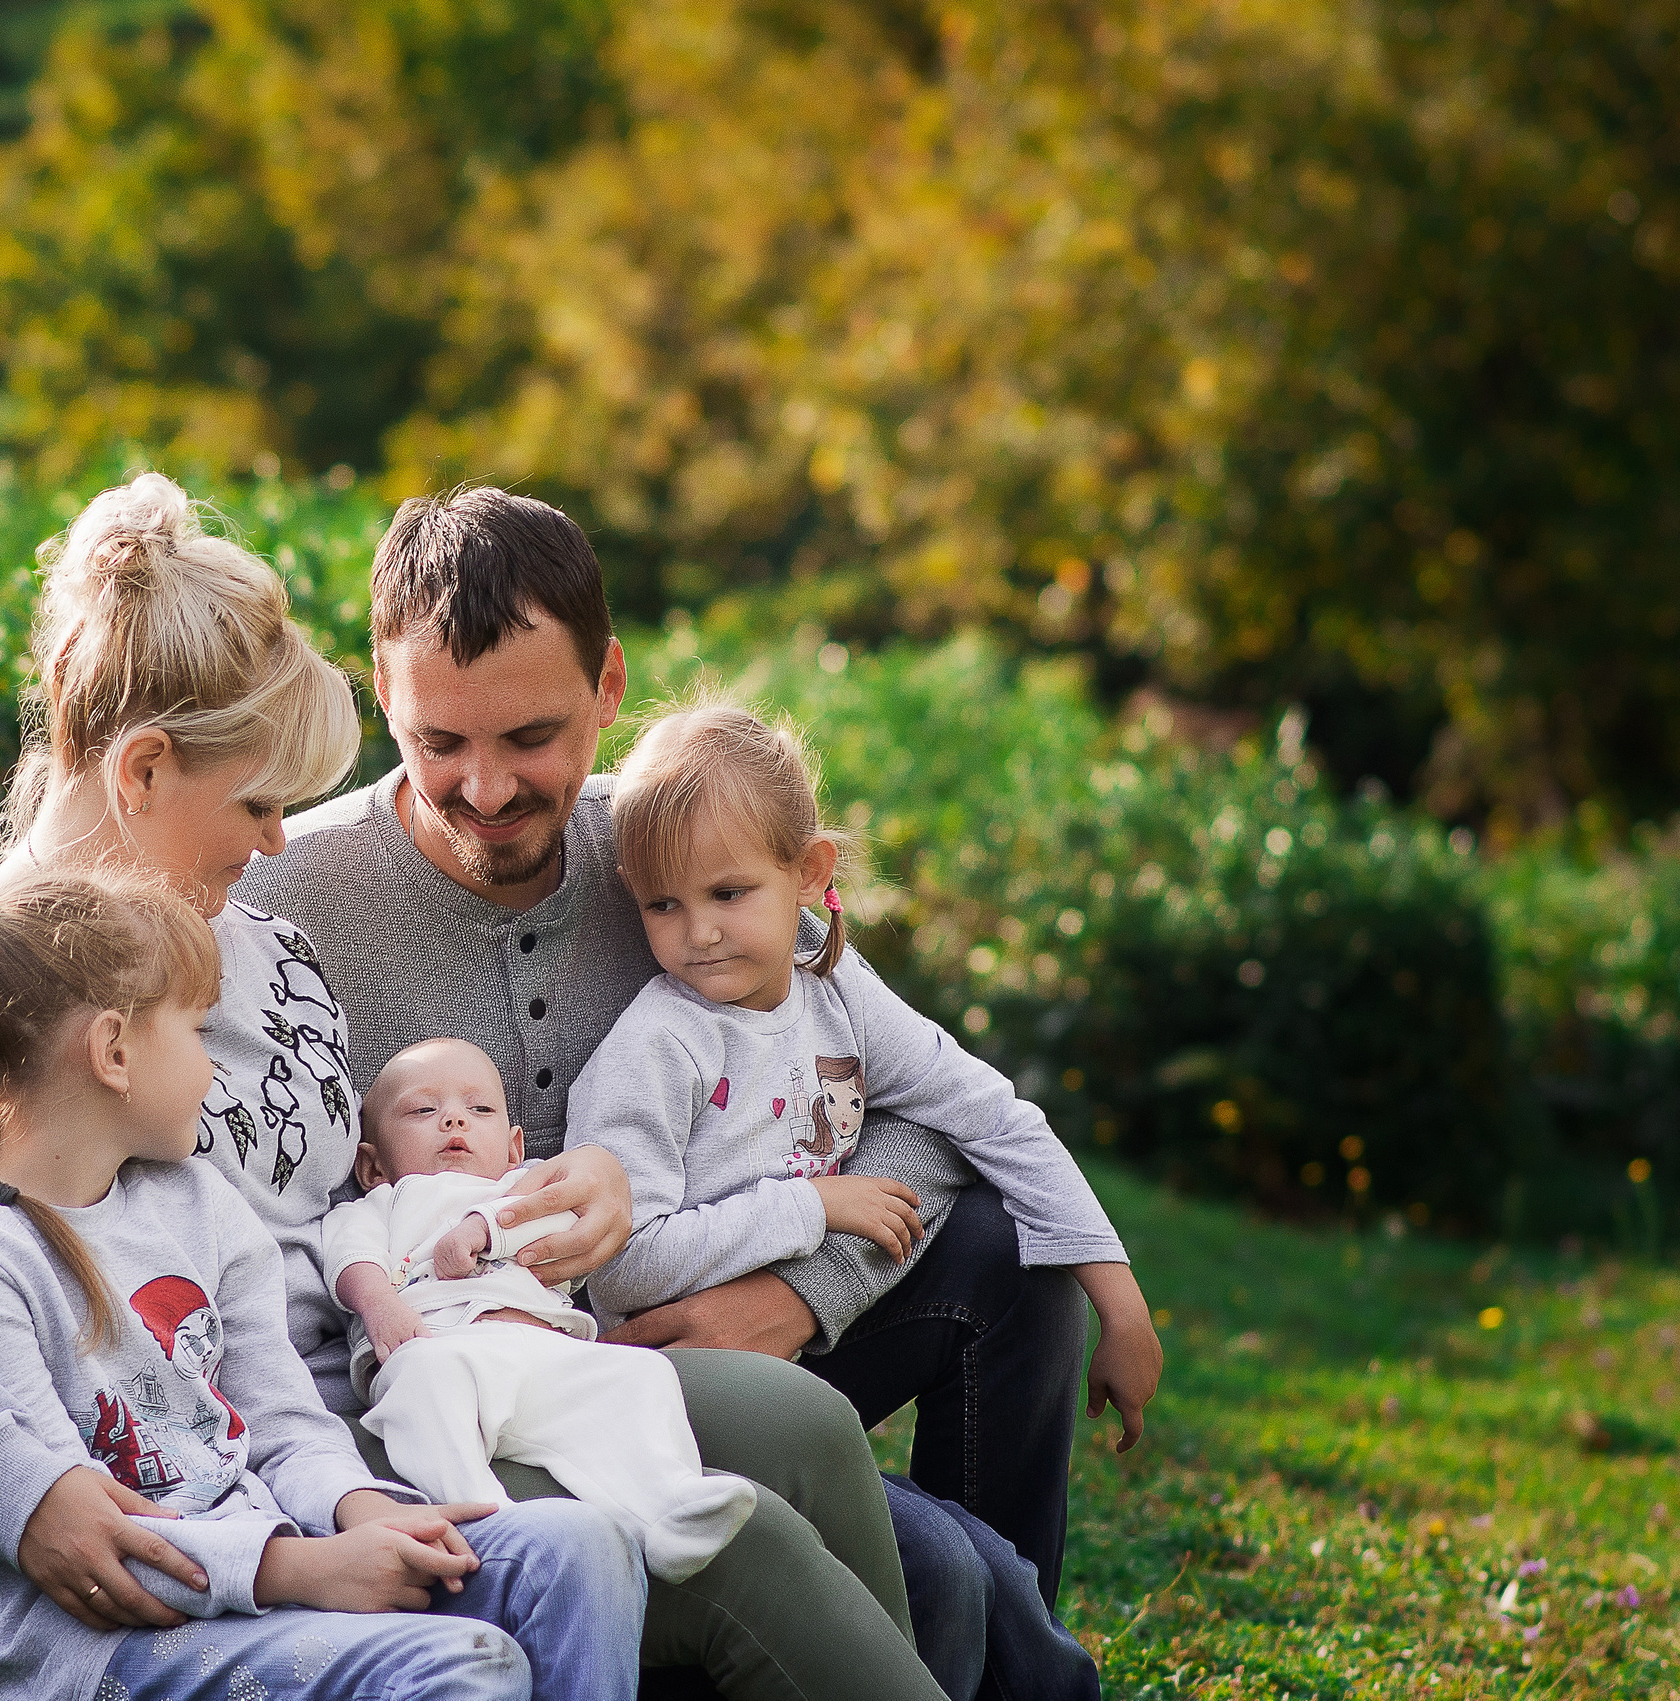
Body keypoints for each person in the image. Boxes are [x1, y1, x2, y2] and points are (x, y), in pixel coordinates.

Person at [0, 473, 938, 1701]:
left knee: (817, 1446)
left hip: (413, 1373)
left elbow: (359, 1193)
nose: (280, 838)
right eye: (258, 802)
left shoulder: (262, 940)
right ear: (145, 771)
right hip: (274, 1461)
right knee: (746, 1553)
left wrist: (548, 1200)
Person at [231, 486, 1132, 1689]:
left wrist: (797, 1294)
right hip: (502, 1385)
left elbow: (910, 1100)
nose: (487, 790)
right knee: (944, 1571)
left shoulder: (672, 847)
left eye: (531, 737)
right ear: (381, 694)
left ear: (608, 686)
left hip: (718, 1313)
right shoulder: (285, 902)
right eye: (439, 743)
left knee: (1009, 1256)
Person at [0, 869, 642, 1701]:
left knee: (581, 1549)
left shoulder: (199, 1202)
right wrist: (309, 1568)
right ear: (113, 1052)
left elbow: (282, 1423)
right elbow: (88, 1545)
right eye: (196, 1031)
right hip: (115, 1642)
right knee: (462, 1665)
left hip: (270, 1559)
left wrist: (361, 1509)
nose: (212, 1069)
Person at [572, 697, 1161, 1429]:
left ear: (809, 871)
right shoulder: (658, 1046)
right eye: (663, 904)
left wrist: (1121, 1304)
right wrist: (814, 1205)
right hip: (681, 1391)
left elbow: (988, 1114)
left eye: (728, 893)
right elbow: (622, 1265)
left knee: (1006, 1249)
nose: (700, 932)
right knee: (916, 1521)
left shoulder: (836, 992)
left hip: (806, 1349)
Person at [324, 1037, 758, 1581]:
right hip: (439, 1345)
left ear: (513, 1148)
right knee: (427, 1385)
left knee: (642, 1376)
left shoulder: (521, 1187)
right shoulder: (382, 1203)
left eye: (480, 1109)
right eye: (423, 1110)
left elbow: (562, 1224)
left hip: (544, 1352)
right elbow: (350, 1259)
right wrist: (380, 1305)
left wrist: (485, 1228)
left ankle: (668, 1508)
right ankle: (486, 1515)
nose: (454, 1120)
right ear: (371, 1166)